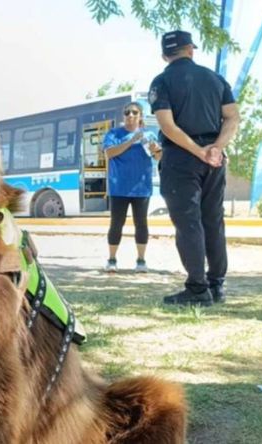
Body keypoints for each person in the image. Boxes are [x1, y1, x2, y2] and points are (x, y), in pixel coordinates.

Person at [149, 30, 240, 306]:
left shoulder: (162, 81)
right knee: (213, 220)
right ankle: (217, 285)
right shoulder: (216, 79)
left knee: (188, 223)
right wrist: (216, 148)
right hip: (214, 160)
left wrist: (199, 151)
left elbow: (167, 125)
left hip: (181, 159)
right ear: (191, 50)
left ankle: (198, 289)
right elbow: (233, 117)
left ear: (165, 55)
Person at [103, 102, 162, 273]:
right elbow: (109, 153)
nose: (130, 115)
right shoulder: (114, 133)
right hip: (119, 187)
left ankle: (141, 260)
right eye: (127, 112)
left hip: (141, 188)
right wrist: (132, 140)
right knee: (116, 224)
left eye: (134, 112)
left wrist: (156, 150)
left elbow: (159, 157)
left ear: (140, 116)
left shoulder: (149, 134)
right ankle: (112, 259)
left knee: (141, 224)